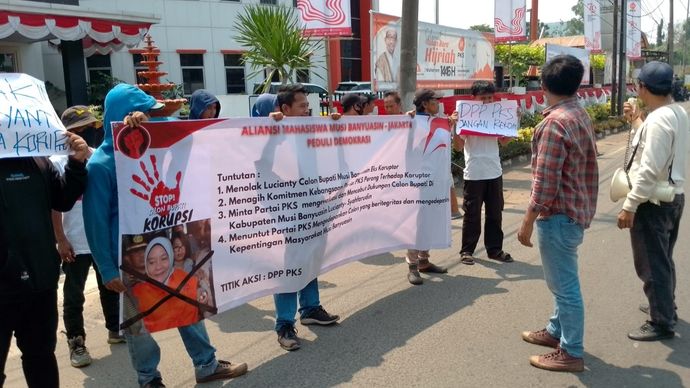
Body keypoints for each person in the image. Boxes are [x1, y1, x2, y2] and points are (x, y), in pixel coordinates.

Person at [82, 83, 247, 387]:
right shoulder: (101, 165)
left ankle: (206, 364)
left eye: (148, 113)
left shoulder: (157, 144)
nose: (148, 117)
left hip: (167, 243)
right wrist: (106, 268)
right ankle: (149, 378)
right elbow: (94, 222)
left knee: (187, 306)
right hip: (127, 258)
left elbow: (189, 130)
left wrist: (275, 123)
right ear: (120, 115)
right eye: (142, 112)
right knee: (138, 324)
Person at [517, 55, 598, 373]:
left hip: (559, 214)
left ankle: (571, 351)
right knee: (563, 282)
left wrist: (526, 221)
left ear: (544, 85)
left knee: (565, 287)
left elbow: (545, 183)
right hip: (574, 211)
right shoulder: (578, 112)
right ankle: (555, 332)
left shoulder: (554, 123)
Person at [0, 126, 89, 387]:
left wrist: (76, 163)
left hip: (40, 282)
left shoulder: (39, 160)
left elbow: (63, 200)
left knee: (41, 359)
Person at [258, 84, 340, 351]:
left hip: (313, 202)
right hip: (287, 206)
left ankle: (310, 308)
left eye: (307, 105)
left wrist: (336, 127)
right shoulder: (269, 133)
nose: (308, 109)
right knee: (290, 264)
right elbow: (261, 165)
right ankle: (284, 324)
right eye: (302, 105)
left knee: (312, 254)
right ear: (285, 109)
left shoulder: (309, 131)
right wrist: (272, 133)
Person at [618, 61, 688, 341]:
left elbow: (648, 169)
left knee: (651, 263)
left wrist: (629, 205)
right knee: (663, 258)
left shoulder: (659, 120)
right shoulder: (676, 113)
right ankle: (664, 305)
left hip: (653, 202)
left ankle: (661, 321)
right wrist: (636, 120)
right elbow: (651, 145)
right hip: (671, 197)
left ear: (643, 88)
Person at [50, 106, 123, 370]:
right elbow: (54, 206)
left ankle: (115, 329)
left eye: (89, 127)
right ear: (66, 133)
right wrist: (61, 239)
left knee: (109, 286)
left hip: (99, 237)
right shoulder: (56, 162)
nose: (85, 134)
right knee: (73, 295)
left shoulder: (96, 157)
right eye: (78, 130)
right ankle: (76, 342)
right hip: (74, 241)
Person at [457, 81, 513, 265]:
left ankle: (494, 250)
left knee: (495, 213)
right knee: (472, 214)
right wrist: (455, 126)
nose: (487, 101)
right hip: (473, 173)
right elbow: (458, 146)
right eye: (483, 98)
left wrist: (513, 121)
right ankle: (467, 251)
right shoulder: (467, 116)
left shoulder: (497, 115)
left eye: (490, 97)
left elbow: (504, 142)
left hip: (494, 171)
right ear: (473, 99)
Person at [404, 89, 451, 285]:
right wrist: (406, 122)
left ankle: (424, 260)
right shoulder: (411, 122)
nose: (438, 103)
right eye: (435, 100)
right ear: (424, 103)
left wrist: (451, 123)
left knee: (429, 219)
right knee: (415, 224)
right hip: (417, 182)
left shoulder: (438, 122)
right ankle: (412, 266)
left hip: (434, 182)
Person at [131, 237, 205, 332]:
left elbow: (200, 296)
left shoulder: (187, 280)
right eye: (152, 262)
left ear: (170, 258)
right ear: (146, 265)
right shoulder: (137, 292)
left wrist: (201, 293)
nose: (158, 266)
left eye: (164, 258)